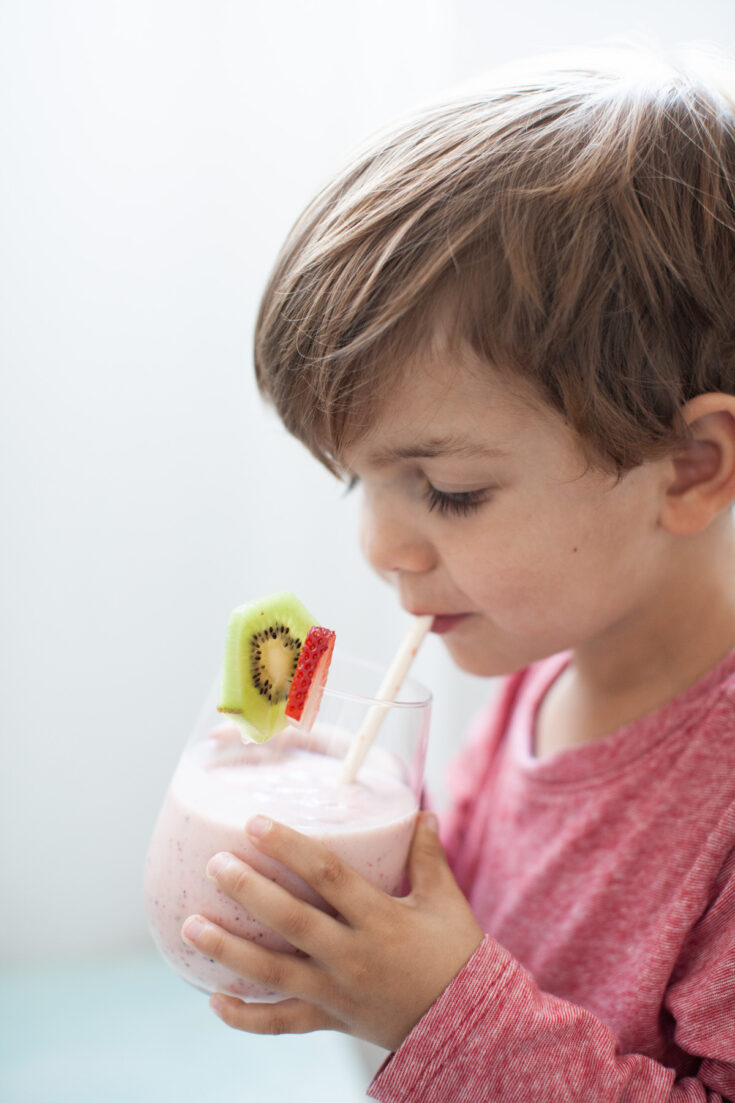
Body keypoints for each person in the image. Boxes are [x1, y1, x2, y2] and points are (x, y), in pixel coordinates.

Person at [180, 45, 735, 1100]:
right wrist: (352, 939)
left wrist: (438, 1007)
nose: (381, 547)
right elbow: (460, 939)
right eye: (360, 484)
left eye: (449, 491)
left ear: (690, 468)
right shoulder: (543, 673)